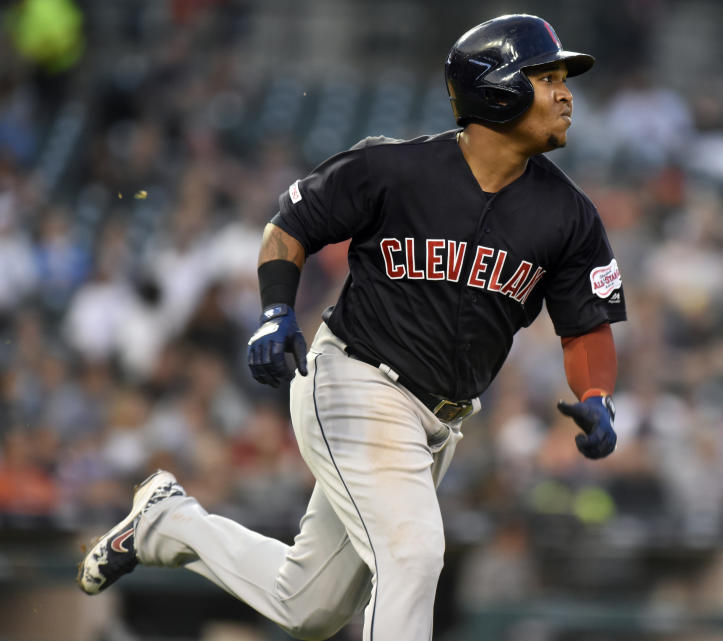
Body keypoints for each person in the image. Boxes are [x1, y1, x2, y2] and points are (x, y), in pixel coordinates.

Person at [77, 14, 626, 641]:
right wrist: (276, 311)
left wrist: (596, 395)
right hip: (357, 382)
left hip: (437, 423)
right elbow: (290, 227)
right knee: (413, 554)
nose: (565, 94)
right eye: (546, 77)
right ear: (496, 89)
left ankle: (165, 524)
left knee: (307, 605)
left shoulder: (570, 215)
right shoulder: (396, 169)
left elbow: (585, 327)